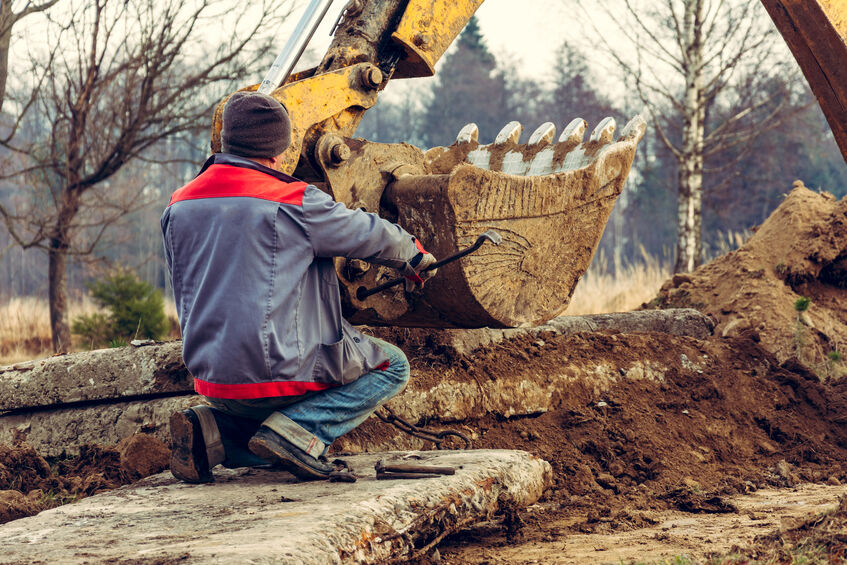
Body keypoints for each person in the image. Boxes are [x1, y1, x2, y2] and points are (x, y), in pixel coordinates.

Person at [161, 91, 435, 483]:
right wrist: (414, 255)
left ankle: (212, 432)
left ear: (226, 141)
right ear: (278, 150)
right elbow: (370, 234)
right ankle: (302, 432)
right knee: (392, 366)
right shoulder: (293, 200)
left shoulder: (178, 204)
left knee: (265, 436)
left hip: (213, 377)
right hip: (277, 376)